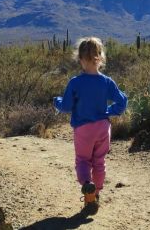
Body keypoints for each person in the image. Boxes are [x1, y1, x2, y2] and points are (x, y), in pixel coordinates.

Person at [53, 37, 128, 215]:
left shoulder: (75, 83)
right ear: (100, 58)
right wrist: (109, 112)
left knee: (83, 160)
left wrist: (56, 101)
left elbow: (66, 107)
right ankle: (97, 193)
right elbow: (122, 102)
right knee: (99, 161)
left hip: (83, 129)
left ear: (80, 59)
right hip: (103, 128)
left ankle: (88, 187)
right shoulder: (107, 82)